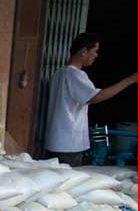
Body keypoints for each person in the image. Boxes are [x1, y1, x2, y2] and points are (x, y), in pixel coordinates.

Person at [44, 32, 137, 167]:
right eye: (94, 51)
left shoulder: (59, 73)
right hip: (69, 146)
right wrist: (130, 80)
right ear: (83, 51)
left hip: (56, 142)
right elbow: (96, 97)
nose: (96, 55)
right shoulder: (76, 75)